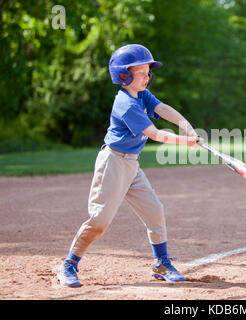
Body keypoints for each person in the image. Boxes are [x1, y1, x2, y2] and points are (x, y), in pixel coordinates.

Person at [56, 44, 202, 287]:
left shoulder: (142, 94)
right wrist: (185, 141)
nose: (148, 77)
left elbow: (162, 108)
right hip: (113, 163)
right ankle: (68, 265)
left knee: (155, 210)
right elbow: (154, 134)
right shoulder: (126, 103)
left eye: (149, 72)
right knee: (100, 221)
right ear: (123, 75)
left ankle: (161, 262)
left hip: (131, 164)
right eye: (142, 73)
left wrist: (185, 124)